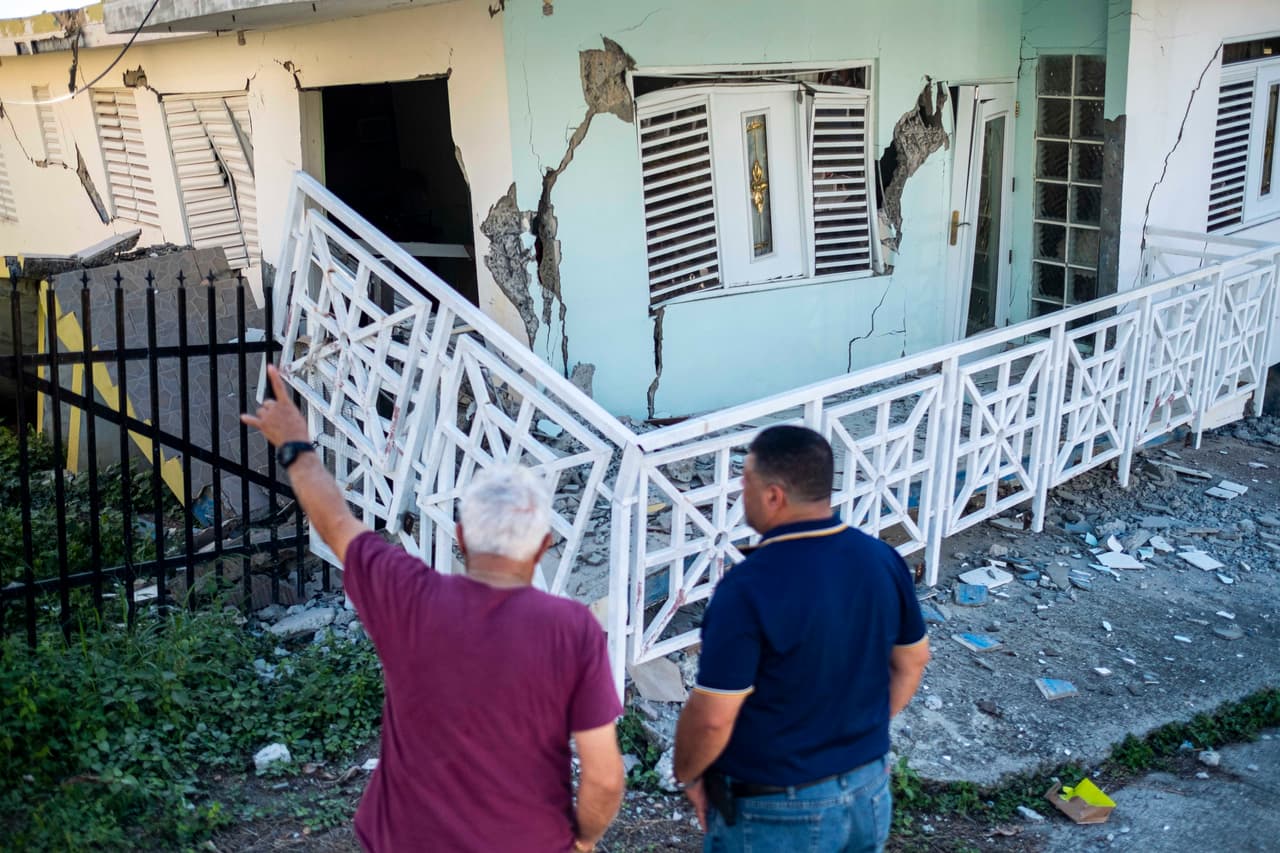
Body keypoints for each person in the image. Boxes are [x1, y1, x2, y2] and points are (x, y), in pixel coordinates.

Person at [242, 365, 625, 852]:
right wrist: (583, 840)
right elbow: (606, 778)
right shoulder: (571, 630)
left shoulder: (408, 595)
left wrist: (295, 444)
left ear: (461, 537)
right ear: (544, 545)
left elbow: (336, 522)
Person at [672, 425, 930, 852]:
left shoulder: (747, 588)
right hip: (868, 787)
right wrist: (859, 739)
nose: (742, 497)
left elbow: (713, 716)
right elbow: (913, 660)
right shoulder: (881, 560)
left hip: (776, 808)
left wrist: (689, 774)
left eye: (746, 485)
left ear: (773, 495)